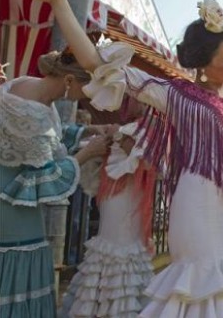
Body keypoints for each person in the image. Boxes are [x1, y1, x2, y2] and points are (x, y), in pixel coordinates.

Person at [10, 0, 223, 317]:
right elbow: (97, 63)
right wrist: (60, 1)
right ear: (203, 63)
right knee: (199, 290)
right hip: (196, 210)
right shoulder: (174, 94)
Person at [0, 49, 113, 317]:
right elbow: (42, 177)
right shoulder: (33, 111)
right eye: (89, 87)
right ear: (69, 82)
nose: (90, 95)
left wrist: (89, 130)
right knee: (18, 273)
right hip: (12, 207)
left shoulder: (25, 84)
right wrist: (88, 153)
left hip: (7, 195)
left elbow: (49, 138)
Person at [59, 122, 158, 317]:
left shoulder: (153, 125)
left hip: (130, 198)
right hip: (114, 195)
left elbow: (149, 161)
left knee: (122, 247)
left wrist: (120, 138)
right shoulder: (126, 124)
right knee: (110, 245)